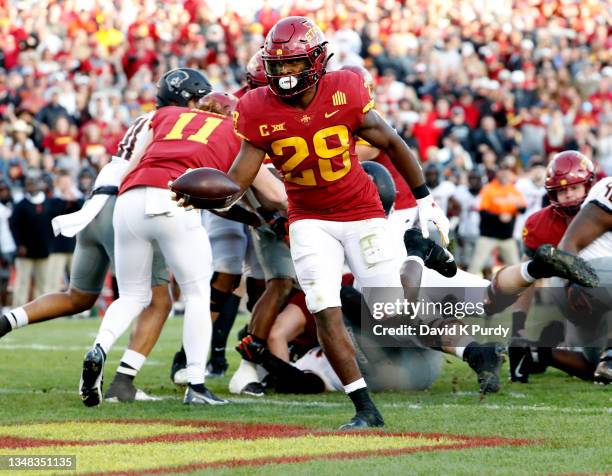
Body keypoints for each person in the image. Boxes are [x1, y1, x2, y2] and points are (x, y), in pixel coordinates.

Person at [181, 17, 450, 429]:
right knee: (325, 308)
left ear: (318, 60)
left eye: (294, 64)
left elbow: (392, 142)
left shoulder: (346, 88)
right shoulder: (255, 108)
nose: (285, 74)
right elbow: (238, 180)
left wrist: (426, 198)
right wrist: (201, 195)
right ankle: (364, 410)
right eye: (279, 65)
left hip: (360, 209)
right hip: (308, 218)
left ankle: (417, 252)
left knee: (390, 312)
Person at [80, 67, 286, 407]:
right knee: (195, 296)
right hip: (175, 198)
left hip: (129, 199)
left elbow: (129, 157)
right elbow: (274, 194)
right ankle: (196, 384)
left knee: (131, 295)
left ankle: (99, 347)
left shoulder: (166, 117)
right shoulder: (233, 130)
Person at [0, 95, 179, 404]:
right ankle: (123, 381)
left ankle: (7, 321)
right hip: (130, 207)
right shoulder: (179, 125)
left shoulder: (142, 122)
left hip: (95, 205)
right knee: (158, 299)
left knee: (78, 296)